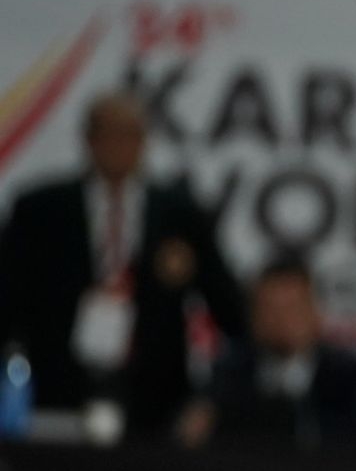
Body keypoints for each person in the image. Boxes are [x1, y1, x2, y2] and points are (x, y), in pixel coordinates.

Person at [0, 92, 245, 439]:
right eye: (109, 134)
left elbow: (228, 308)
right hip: (57, 386)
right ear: (89, 139)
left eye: (131, 134)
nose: (120, 145)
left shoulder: (179, 213)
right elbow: (8, 299)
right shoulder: (40, 210)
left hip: (155, 396)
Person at [177, 257, 356, 452]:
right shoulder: (230, 372)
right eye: (270, 309)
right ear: (252, 316)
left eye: (292, 308)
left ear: (315, 312)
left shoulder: (351, 376)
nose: (281, 320)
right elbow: (194, 430)